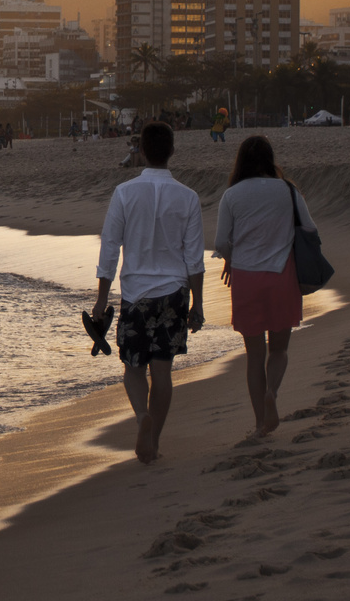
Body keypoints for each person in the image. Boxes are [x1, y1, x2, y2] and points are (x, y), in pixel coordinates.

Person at [92, 121, 206, 465]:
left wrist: (101, 298)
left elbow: (110, 248)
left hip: (135, 294)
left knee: (132, 367)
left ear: (140, 150)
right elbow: (194, 258)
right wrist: (198, 303)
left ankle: (142, 417)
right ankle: (153, 442)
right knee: (162, 371)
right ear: (171, 151)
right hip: (173, 293)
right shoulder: (188, 197)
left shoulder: (125, 193)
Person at [213, 135, 312, 437]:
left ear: (241, 161)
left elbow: (220, 243)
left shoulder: (232, 195)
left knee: (254, 356)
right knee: (278, 350)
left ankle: (259, 424)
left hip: (245, 279)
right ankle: (273, 392)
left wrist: (234, 257)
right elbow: (310, 228)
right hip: (282, 276)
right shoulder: (288, 190)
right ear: (270, 159)